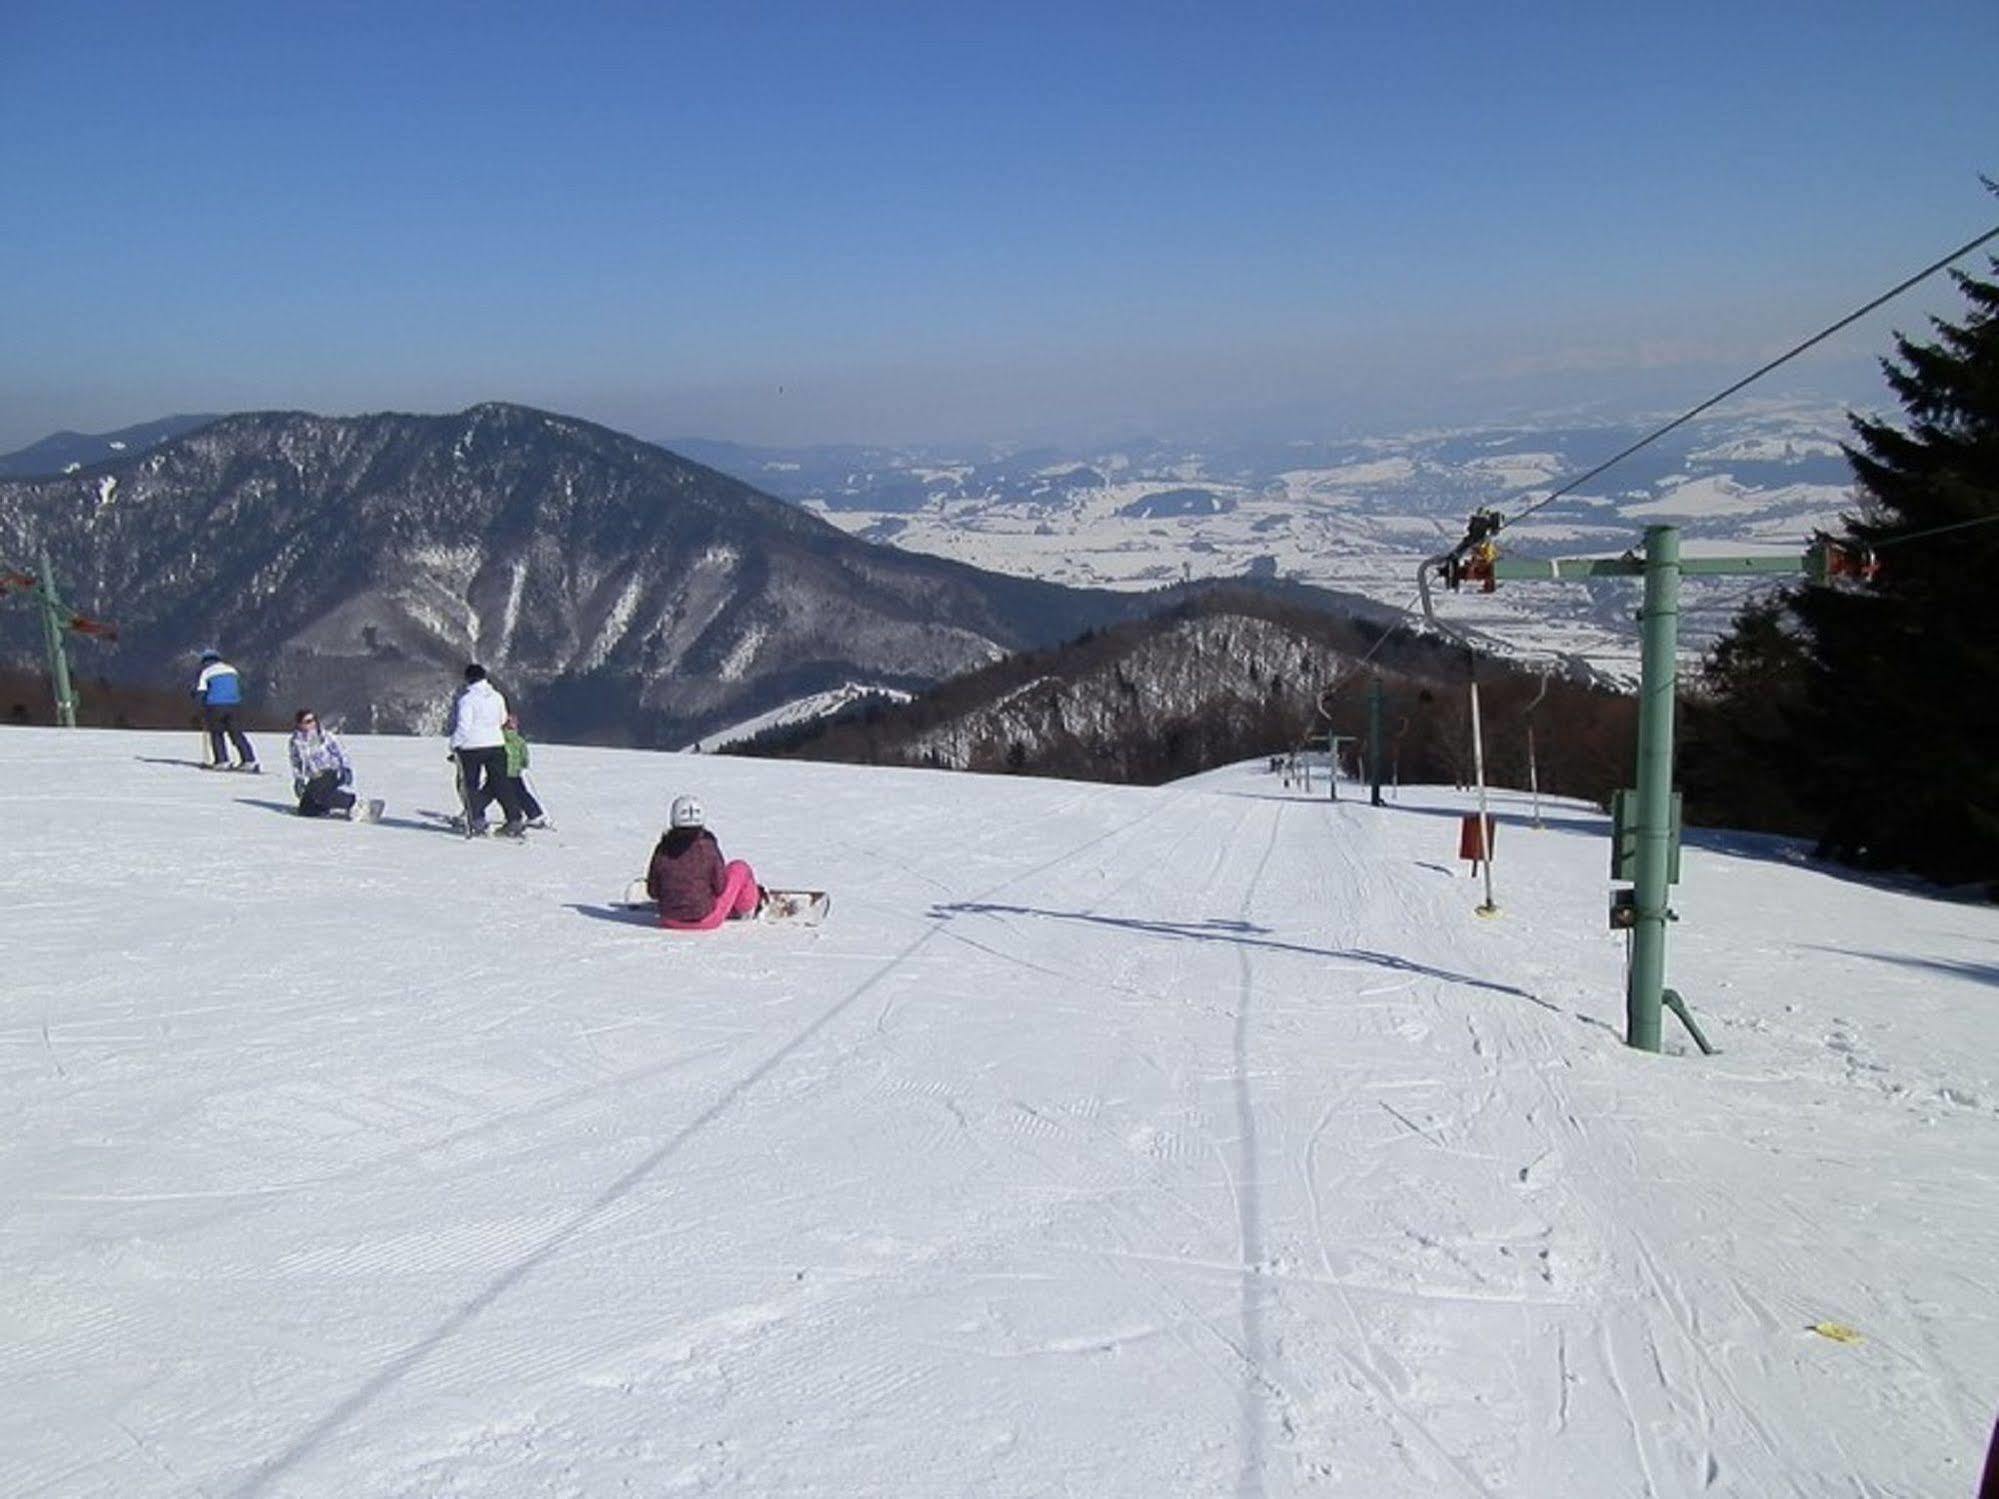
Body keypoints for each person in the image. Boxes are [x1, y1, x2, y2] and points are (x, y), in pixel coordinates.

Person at [646, 794, 763, 930]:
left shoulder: (663, 849)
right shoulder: (707, 847)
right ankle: (748, 907)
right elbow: (720, 887)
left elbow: (653, 892)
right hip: (705, 920)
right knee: (739, 868)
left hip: (669, 920)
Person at [445, 664, 524, 836]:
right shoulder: (497, 696)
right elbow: (503, 718)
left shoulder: (467, 700)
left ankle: (476, 820)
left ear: (468, 679)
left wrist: (453, 744)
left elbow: (464, 727)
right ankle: (514, 819)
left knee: (469, 783)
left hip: (471, 747)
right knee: (501, 782)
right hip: (496, 744)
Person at [192, 649, 258, 771]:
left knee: (217, 733)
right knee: (236, 734)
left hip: (215, 706)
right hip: (234, 705)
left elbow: (200, 692)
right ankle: (249, 760)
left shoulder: (206, 672)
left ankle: (222, 760)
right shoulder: (232, 670)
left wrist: (199, 710)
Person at [287, 710, 359, 818]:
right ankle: (323, 809)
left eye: (311, 720)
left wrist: (346, 768)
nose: (310, 724)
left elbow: (340, 752)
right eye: (305, 722)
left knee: (320, 795)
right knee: (305, 809)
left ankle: (352, 803)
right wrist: (299, 779)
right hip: (314, 775)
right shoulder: (295, 741)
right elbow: (296, 762)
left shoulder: (324, 736)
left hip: (329, 770)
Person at [500, 713, 550, 829]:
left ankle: (473, 811)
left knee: (494, 792)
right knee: (521, 793)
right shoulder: (519, 741)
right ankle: (534, 813)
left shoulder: (500, 738)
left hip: (502, 771)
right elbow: (525, 756)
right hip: (516, 772)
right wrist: (523, 765)